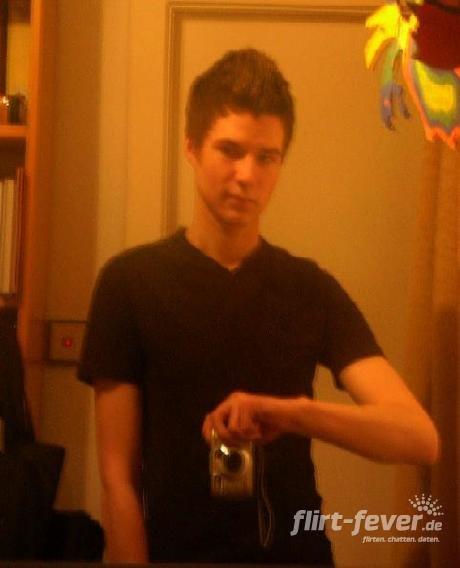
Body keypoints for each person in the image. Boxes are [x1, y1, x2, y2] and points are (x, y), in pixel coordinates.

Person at [78, 48, 439, 565]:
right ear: (192, 147)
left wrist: (292, 413)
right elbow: (118, 481)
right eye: (230, 150)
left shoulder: (309, 288)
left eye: (266, 157)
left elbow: (419, 439)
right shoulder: (130, 284)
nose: (247, 174)